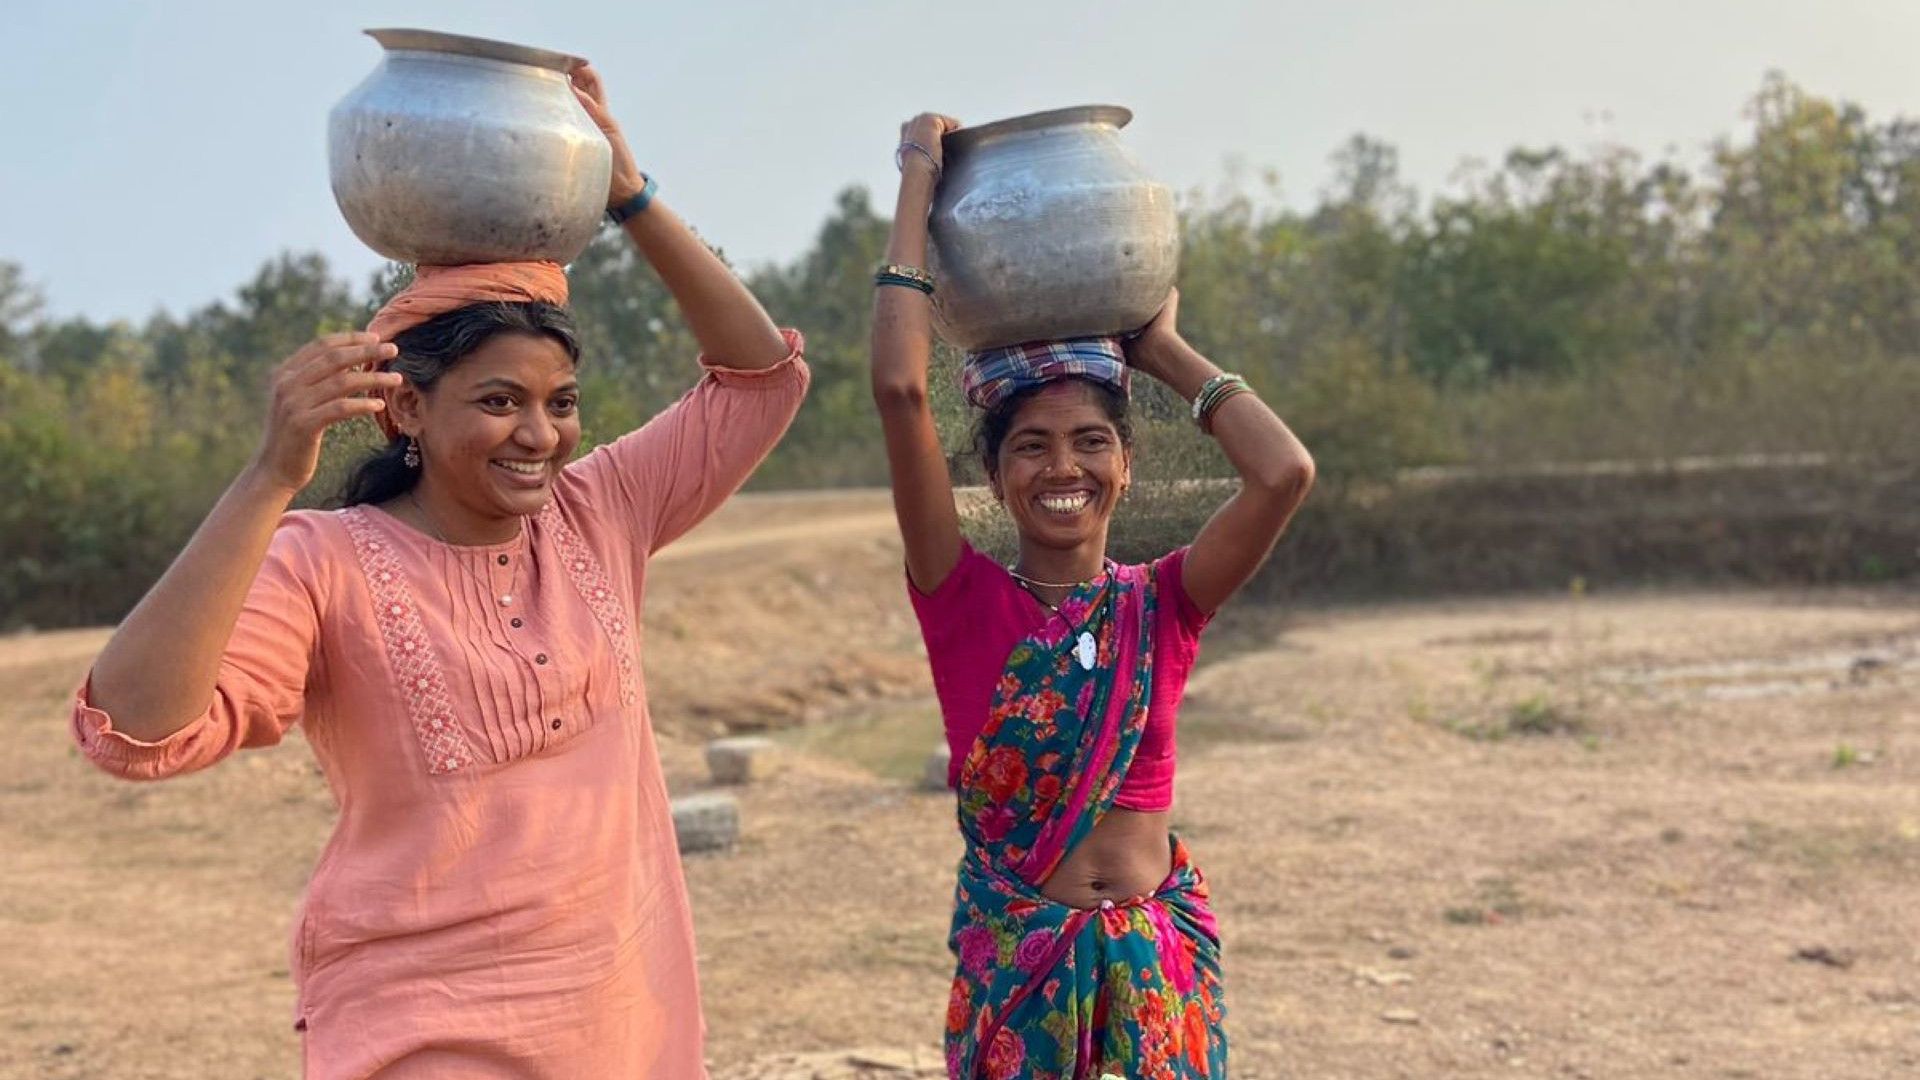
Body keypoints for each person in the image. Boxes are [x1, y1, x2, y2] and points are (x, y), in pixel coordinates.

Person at [69, 64, 807, 1077]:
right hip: (416, 1019)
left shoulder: (599, 514)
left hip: (614, 1007)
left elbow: (761, 382)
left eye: (560, 402)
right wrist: (267, 476)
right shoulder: (324, 562)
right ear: (406, 410)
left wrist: (628, 198)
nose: (540, 435)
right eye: (500, 402)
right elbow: (135, 729)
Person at [870, 113, 1316, 1079]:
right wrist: (916, 175)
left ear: (1124, 464)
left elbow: (1283, 474)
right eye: (1031, 445)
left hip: (1156, 967)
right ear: (993, 474)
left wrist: (1166, 353)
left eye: (1090, 441)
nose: (1061, 467)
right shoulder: (960, 596)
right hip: (1022, 972)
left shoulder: (1166, 602)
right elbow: (903, 392)